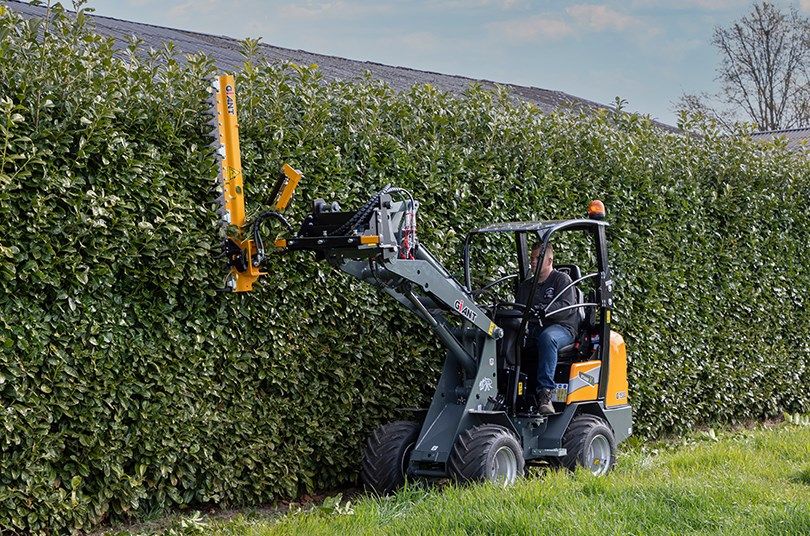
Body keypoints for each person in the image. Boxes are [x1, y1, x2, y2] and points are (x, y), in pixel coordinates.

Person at [517, 242, 579, 414]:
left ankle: (545, 394)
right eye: (532, 258)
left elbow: (566, 307)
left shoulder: (561, 280)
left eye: (538, 258)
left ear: (550, 260)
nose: (533, 261)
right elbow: (519, 310)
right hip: (535, 328)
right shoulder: (526, 286)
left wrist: (544, 310)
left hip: (562, 328)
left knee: (548, 338)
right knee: (509, 337)